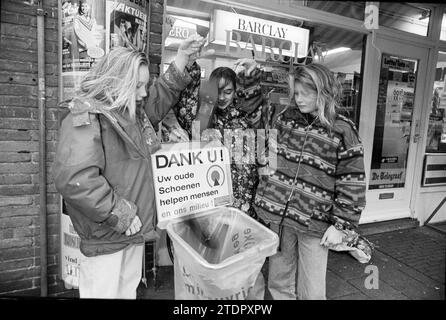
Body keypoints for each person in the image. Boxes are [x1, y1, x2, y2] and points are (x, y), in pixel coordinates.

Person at [53, 35, 205, 299]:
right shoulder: (86, 116)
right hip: (109, 233)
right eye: (137, 86)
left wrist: (182, 58)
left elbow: (157, 98)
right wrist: (119, 213)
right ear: (116, 82)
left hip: (131, 231)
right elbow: (75, 179)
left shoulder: (128, 108)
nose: (143, 93)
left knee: (126, 292)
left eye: (144, 86)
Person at [235, 60, 367, 300]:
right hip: (280, 218)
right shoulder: (284, 118)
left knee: (313, 291)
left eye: (306, 94)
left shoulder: (342, 130)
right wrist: (251, 75)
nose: (299, 99)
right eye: (296, 93)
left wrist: (341, 226)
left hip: (314, 223)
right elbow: (254, 113)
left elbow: (352, 181)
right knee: (279, 283)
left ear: (323, 92)